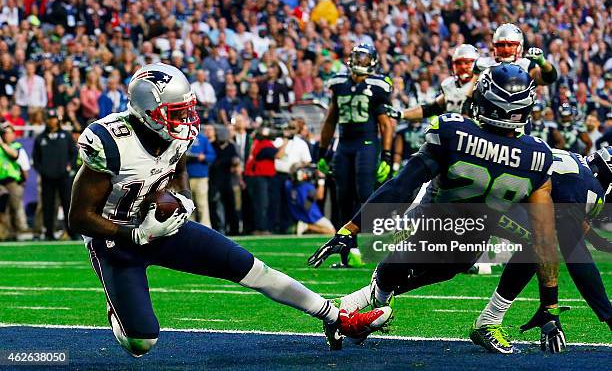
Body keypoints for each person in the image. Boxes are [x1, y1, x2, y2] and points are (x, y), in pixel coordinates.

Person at [68, 63, 391, 358]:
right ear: (149, 111)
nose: (185, 120)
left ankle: (337, 318)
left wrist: (182, 198)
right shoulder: (110, 142)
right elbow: (79, 217)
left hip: (163, 228)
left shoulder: (174, 135)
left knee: (253, 269)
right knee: (141, 342)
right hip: (114, 240)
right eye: (176, 112)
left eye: (185, 110)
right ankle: (119, 312)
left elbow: (177, 170)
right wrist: (135, 234)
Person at [309, 64, 564, 352]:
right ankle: (372, 305)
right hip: (472, 240)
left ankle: (368, 304)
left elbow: (402, 187)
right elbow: (544, 237)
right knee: (524, 242)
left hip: (431, 229)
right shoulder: (539, 155)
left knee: (402, 272)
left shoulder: (453, 130)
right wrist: (550, 307)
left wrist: (350, 229)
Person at [469, 147, 612, 354]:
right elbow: (576, 256)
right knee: (538, 240)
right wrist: (608, 314)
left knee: (436, 270)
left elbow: (566, 212)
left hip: (478, 193)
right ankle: (490, 321)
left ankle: (490, 320)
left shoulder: (576, 166)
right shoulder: (587, 188)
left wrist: (597, 240)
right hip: (478, 202)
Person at [317, 43, 393, 267]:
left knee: (364, 194)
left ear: (372, 61)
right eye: (357, 57)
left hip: (367, 144)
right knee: (343, 198)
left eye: (364, 58)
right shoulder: (338, 84)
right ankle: (348, 251)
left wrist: (387, 156)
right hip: (344, 145)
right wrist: (322, 152)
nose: (360, 62)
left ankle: (375, 246)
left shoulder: (377, 86)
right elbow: (330, 119)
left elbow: (386, 125)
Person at [385, 44, 479, 123]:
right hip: (454, 134)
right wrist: (401, 113)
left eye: (467, 63)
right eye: (459, 63)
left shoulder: (483, 84)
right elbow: (430, 109)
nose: (463, 66)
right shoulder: (449, 84)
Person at [33, 109, 77, 240]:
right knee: (48, 206)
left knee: (68, 204)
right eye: (49, 118)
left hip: (64, 177)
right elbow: (35, 158)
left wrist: (70, 166)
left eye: (54, 118)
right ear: (46, 120)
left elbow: (74, 153)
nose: (52, 121)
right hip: (47, 178)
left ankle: (71, 232)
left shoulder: (66, 136)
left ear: (57, 120)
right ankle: (49, 233)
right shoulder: (40, 138)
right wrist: (42, 171)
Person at [285, 164, 335, 235]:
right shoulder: (307, 186)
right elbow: (319, 196)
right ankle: (307, 227)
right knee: (332, 231)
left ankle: (305, 228)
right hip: (311, 216)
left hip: (297, 216)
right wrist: (321, 180)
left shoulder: (288, 185)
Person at [0, 123, 29, 238]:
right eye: (4, 133)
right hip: (1, 182)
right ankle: (6, 234)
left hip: (13, 182)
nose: (6, 135)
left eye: (8, 133)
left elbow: (15, 156)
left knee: (16, 207)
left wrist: (2, 144)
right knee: (3, 210)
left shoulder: (16, 146)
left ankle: (21, 231)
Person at [186, 128, 216, 226]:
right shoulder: (183, 138)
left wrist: (204, 157)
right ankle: (190, 229)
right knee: (188, 206)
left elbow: (212, 155)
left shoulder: (203, 139)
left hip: (201, 177)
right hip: (186, 178)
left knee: (202, 204)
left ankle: (206, 228)